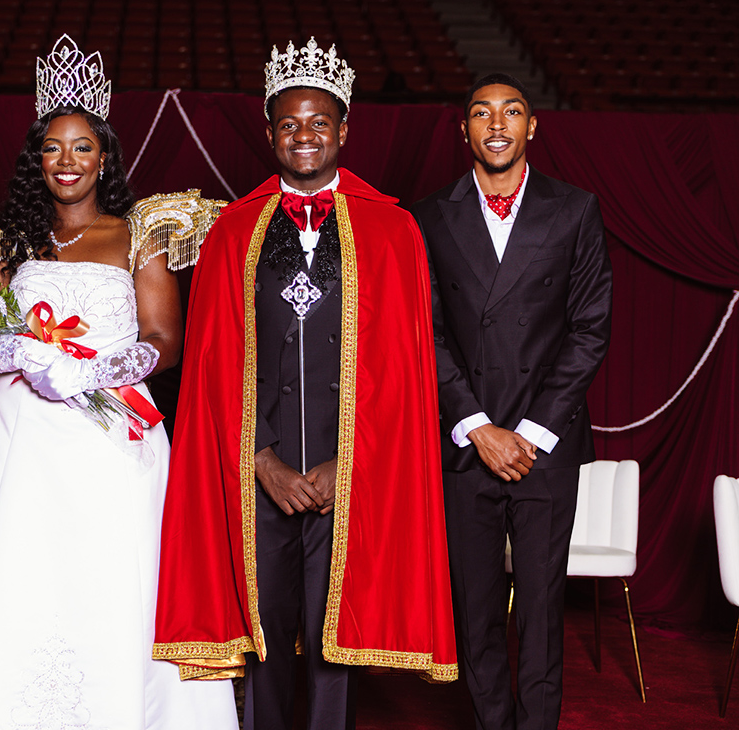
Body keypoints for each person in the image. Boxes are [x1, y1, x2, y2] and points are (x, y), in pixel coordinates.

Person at [0, 35, 237, 730]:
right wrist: (11, 351)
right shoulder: (8, 241)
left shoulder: (136, 235)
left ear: (105, 158)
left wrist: (90, 369)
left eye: (82, 147)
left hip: (110, 427)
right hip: (20, 432)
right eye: (53, 148)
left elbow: (164, 341)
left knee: (109, 569)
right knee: (20, 570)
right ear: (36, 160)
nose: (66, 161)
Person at [153, 37, 458, 730]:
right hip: (255, 467)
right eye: (288, 123)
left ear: (344, 129)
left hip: (345, 468)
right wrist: (260, 460)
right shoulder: (232, 231)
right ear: (268, 132)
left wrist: (341, 464)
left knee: (332, 638)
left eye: (318, 122)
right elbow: (209, 364)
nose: (303, 136)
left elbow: (404, 373)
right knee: (262, 633)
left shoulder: (394, 230)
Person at [410, 73, 613, 730]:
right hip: (466, 444)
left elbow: (589, 329)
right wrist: (476, 427)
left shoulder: (575, 208)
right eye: (479, 112)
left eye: (511, 111)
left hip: (543, 448)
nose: (495, 123)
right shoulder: (427, 214)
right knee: (474, 612)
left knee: (540, 612)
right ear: (462, 129)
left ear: (532, 127)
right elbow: (424, 331)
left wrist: (528, 432)